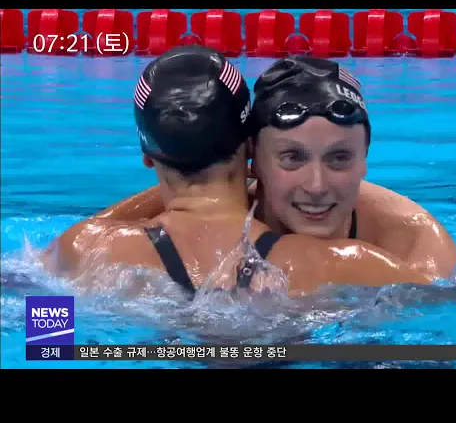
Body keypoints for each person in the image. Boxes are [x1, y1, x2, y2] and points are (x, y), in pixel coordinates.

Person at [41, 46, 434, 299]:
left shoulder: (82, 248)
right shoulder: (346, 263)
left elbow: (46, 348)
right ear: (250, 149)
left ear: (147, 158)